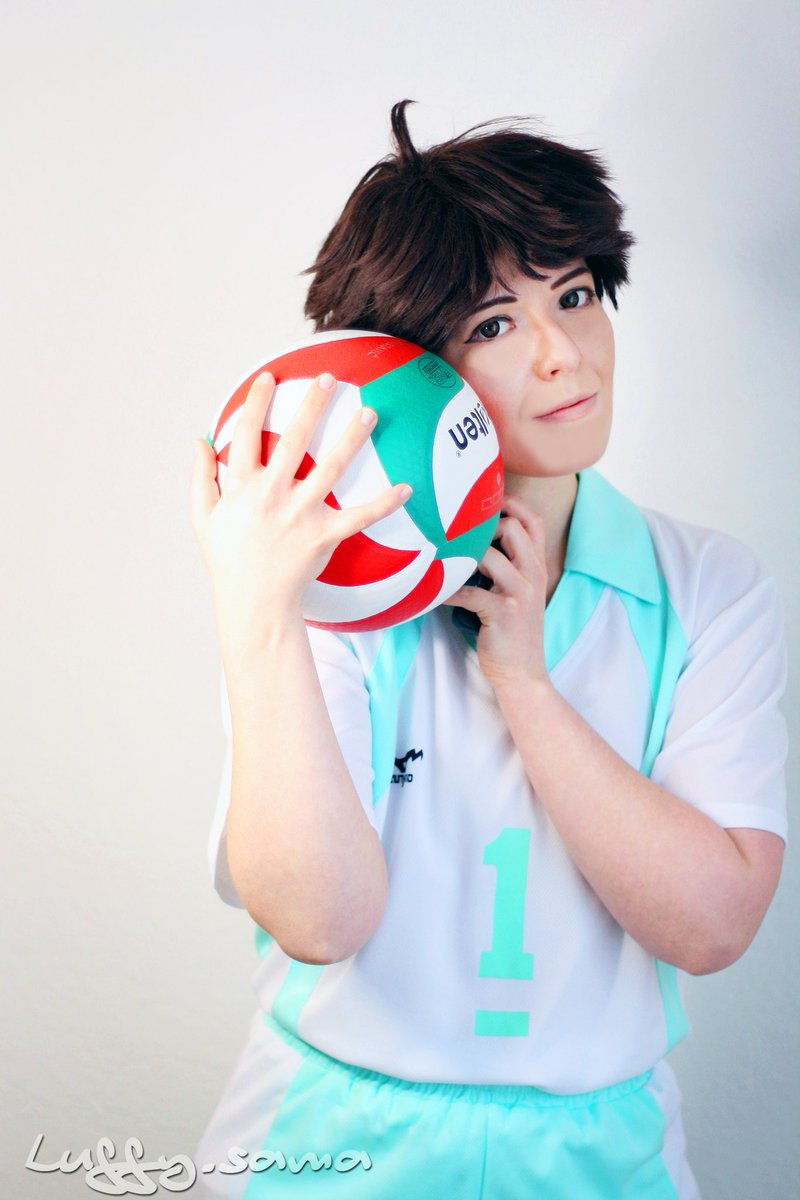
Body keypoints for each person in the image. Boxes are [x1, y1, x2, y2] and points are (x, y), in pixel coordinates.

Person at [189, 100, 788, 1199]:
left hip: (603, 1156)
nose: (564, 355)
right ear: (410, 365)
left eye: (575, 296)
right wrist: (254, 608)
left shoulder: (707, 586)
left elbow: (712, 926)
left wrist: (524, 682)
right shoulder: (325, 596)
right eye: (495, 324)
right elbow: (318, 918)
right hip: (325, 1143)